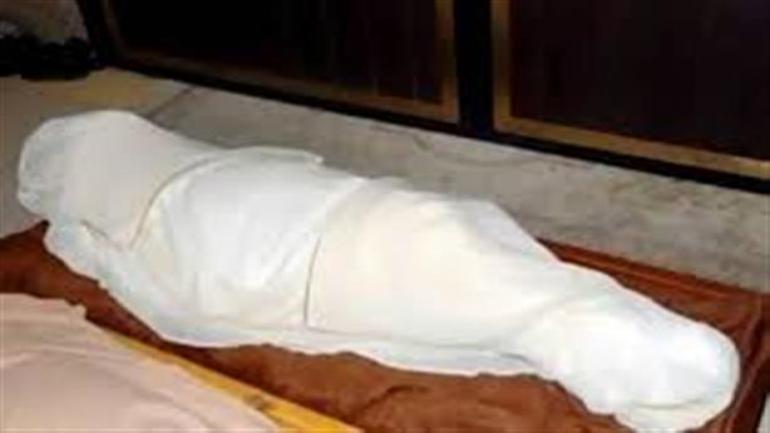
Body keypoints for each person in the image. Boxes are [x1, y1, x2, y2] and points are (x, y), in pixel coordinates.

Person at [18, 110, 739, 432]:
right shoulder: (161, 201)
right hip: (326, 232)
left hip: (319, 234)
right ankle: (647, 360)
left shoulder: (142, 218)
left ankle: (646, 360)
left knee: (490, 279)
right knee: (495, 283)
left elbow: (179, 296)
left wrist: (87, 244)